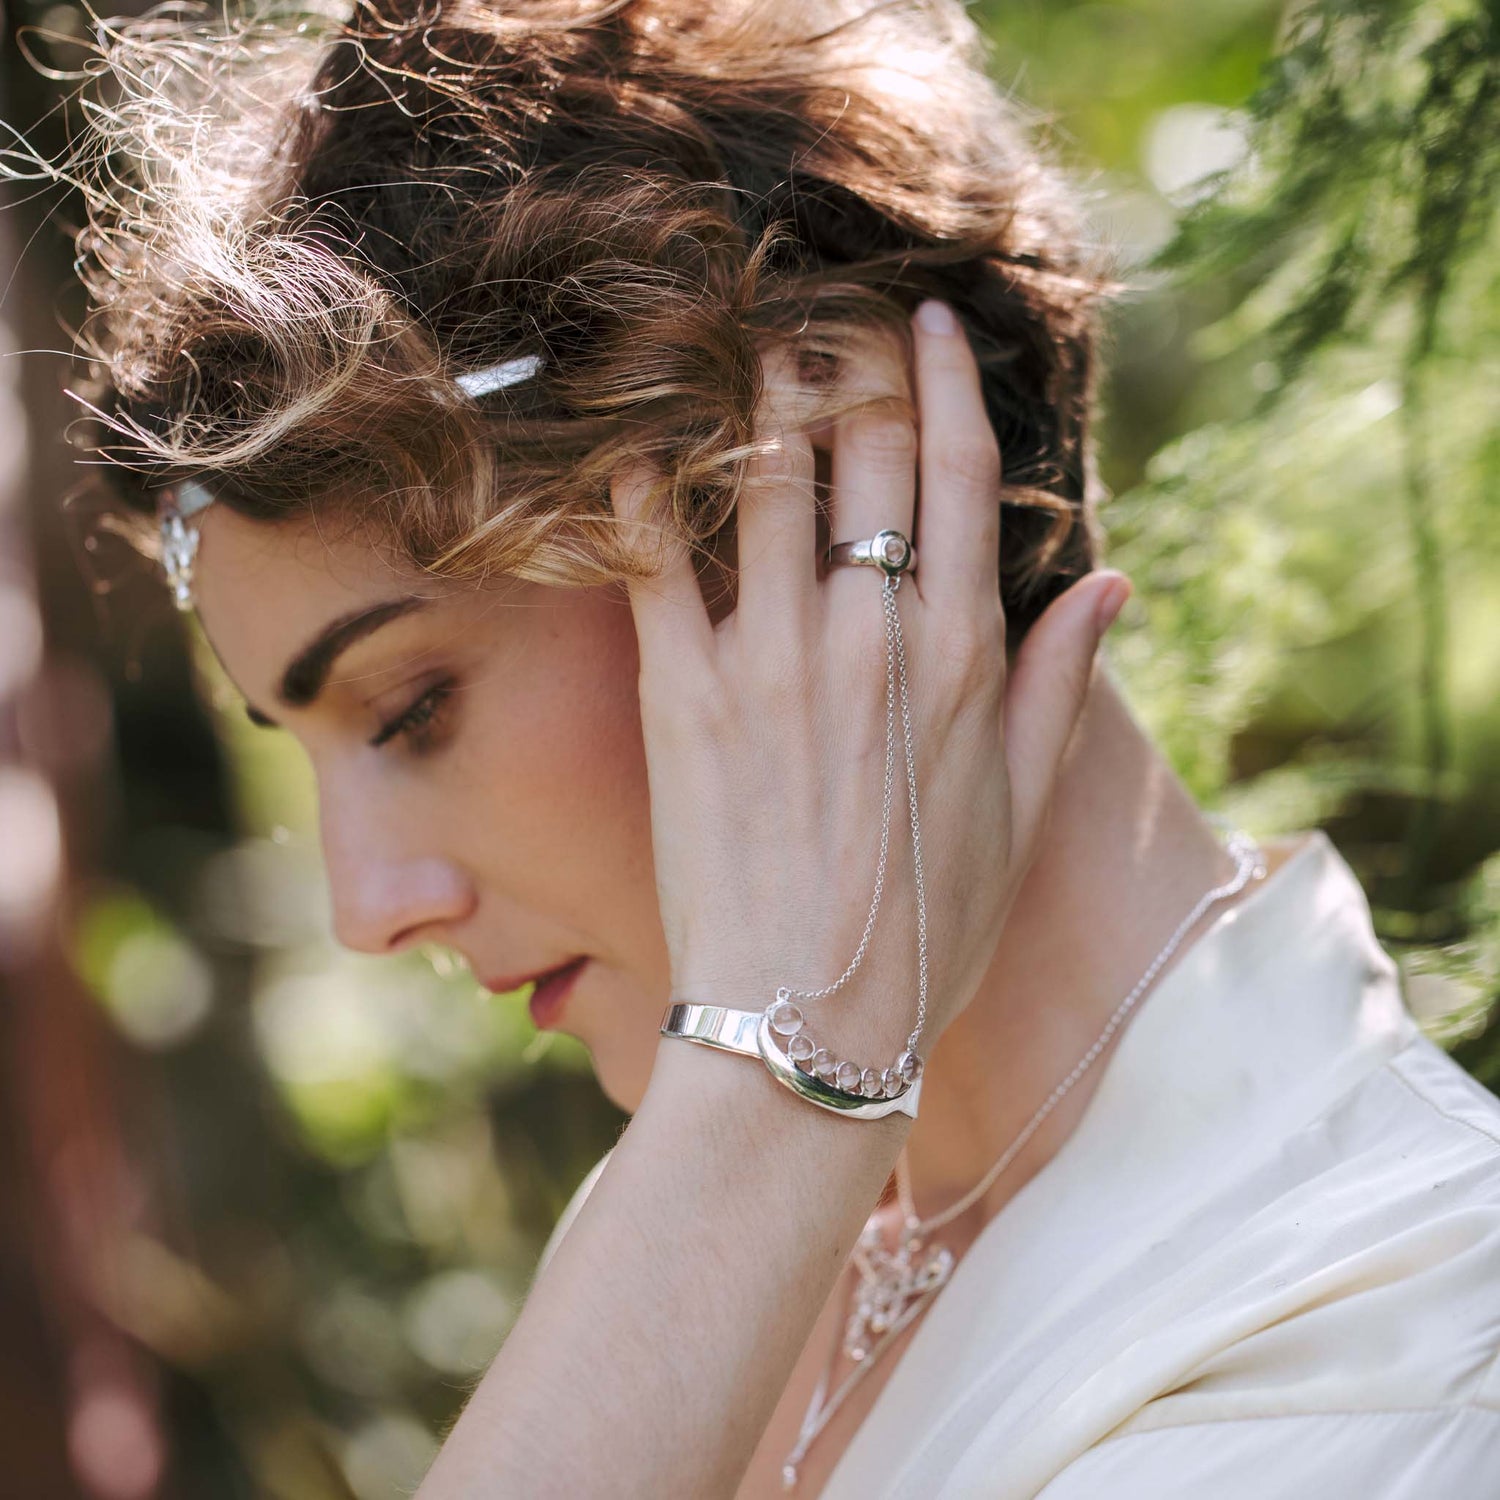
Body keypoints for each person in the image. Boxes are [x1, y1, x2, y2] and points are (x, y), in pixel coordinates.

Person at [50, 0, 1500, 1495]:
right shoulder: (721, 1202)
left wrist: (777, 1079)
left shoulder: (1390, 1345)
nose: (367, 910)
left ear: (817, 459)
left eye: (413, 707)